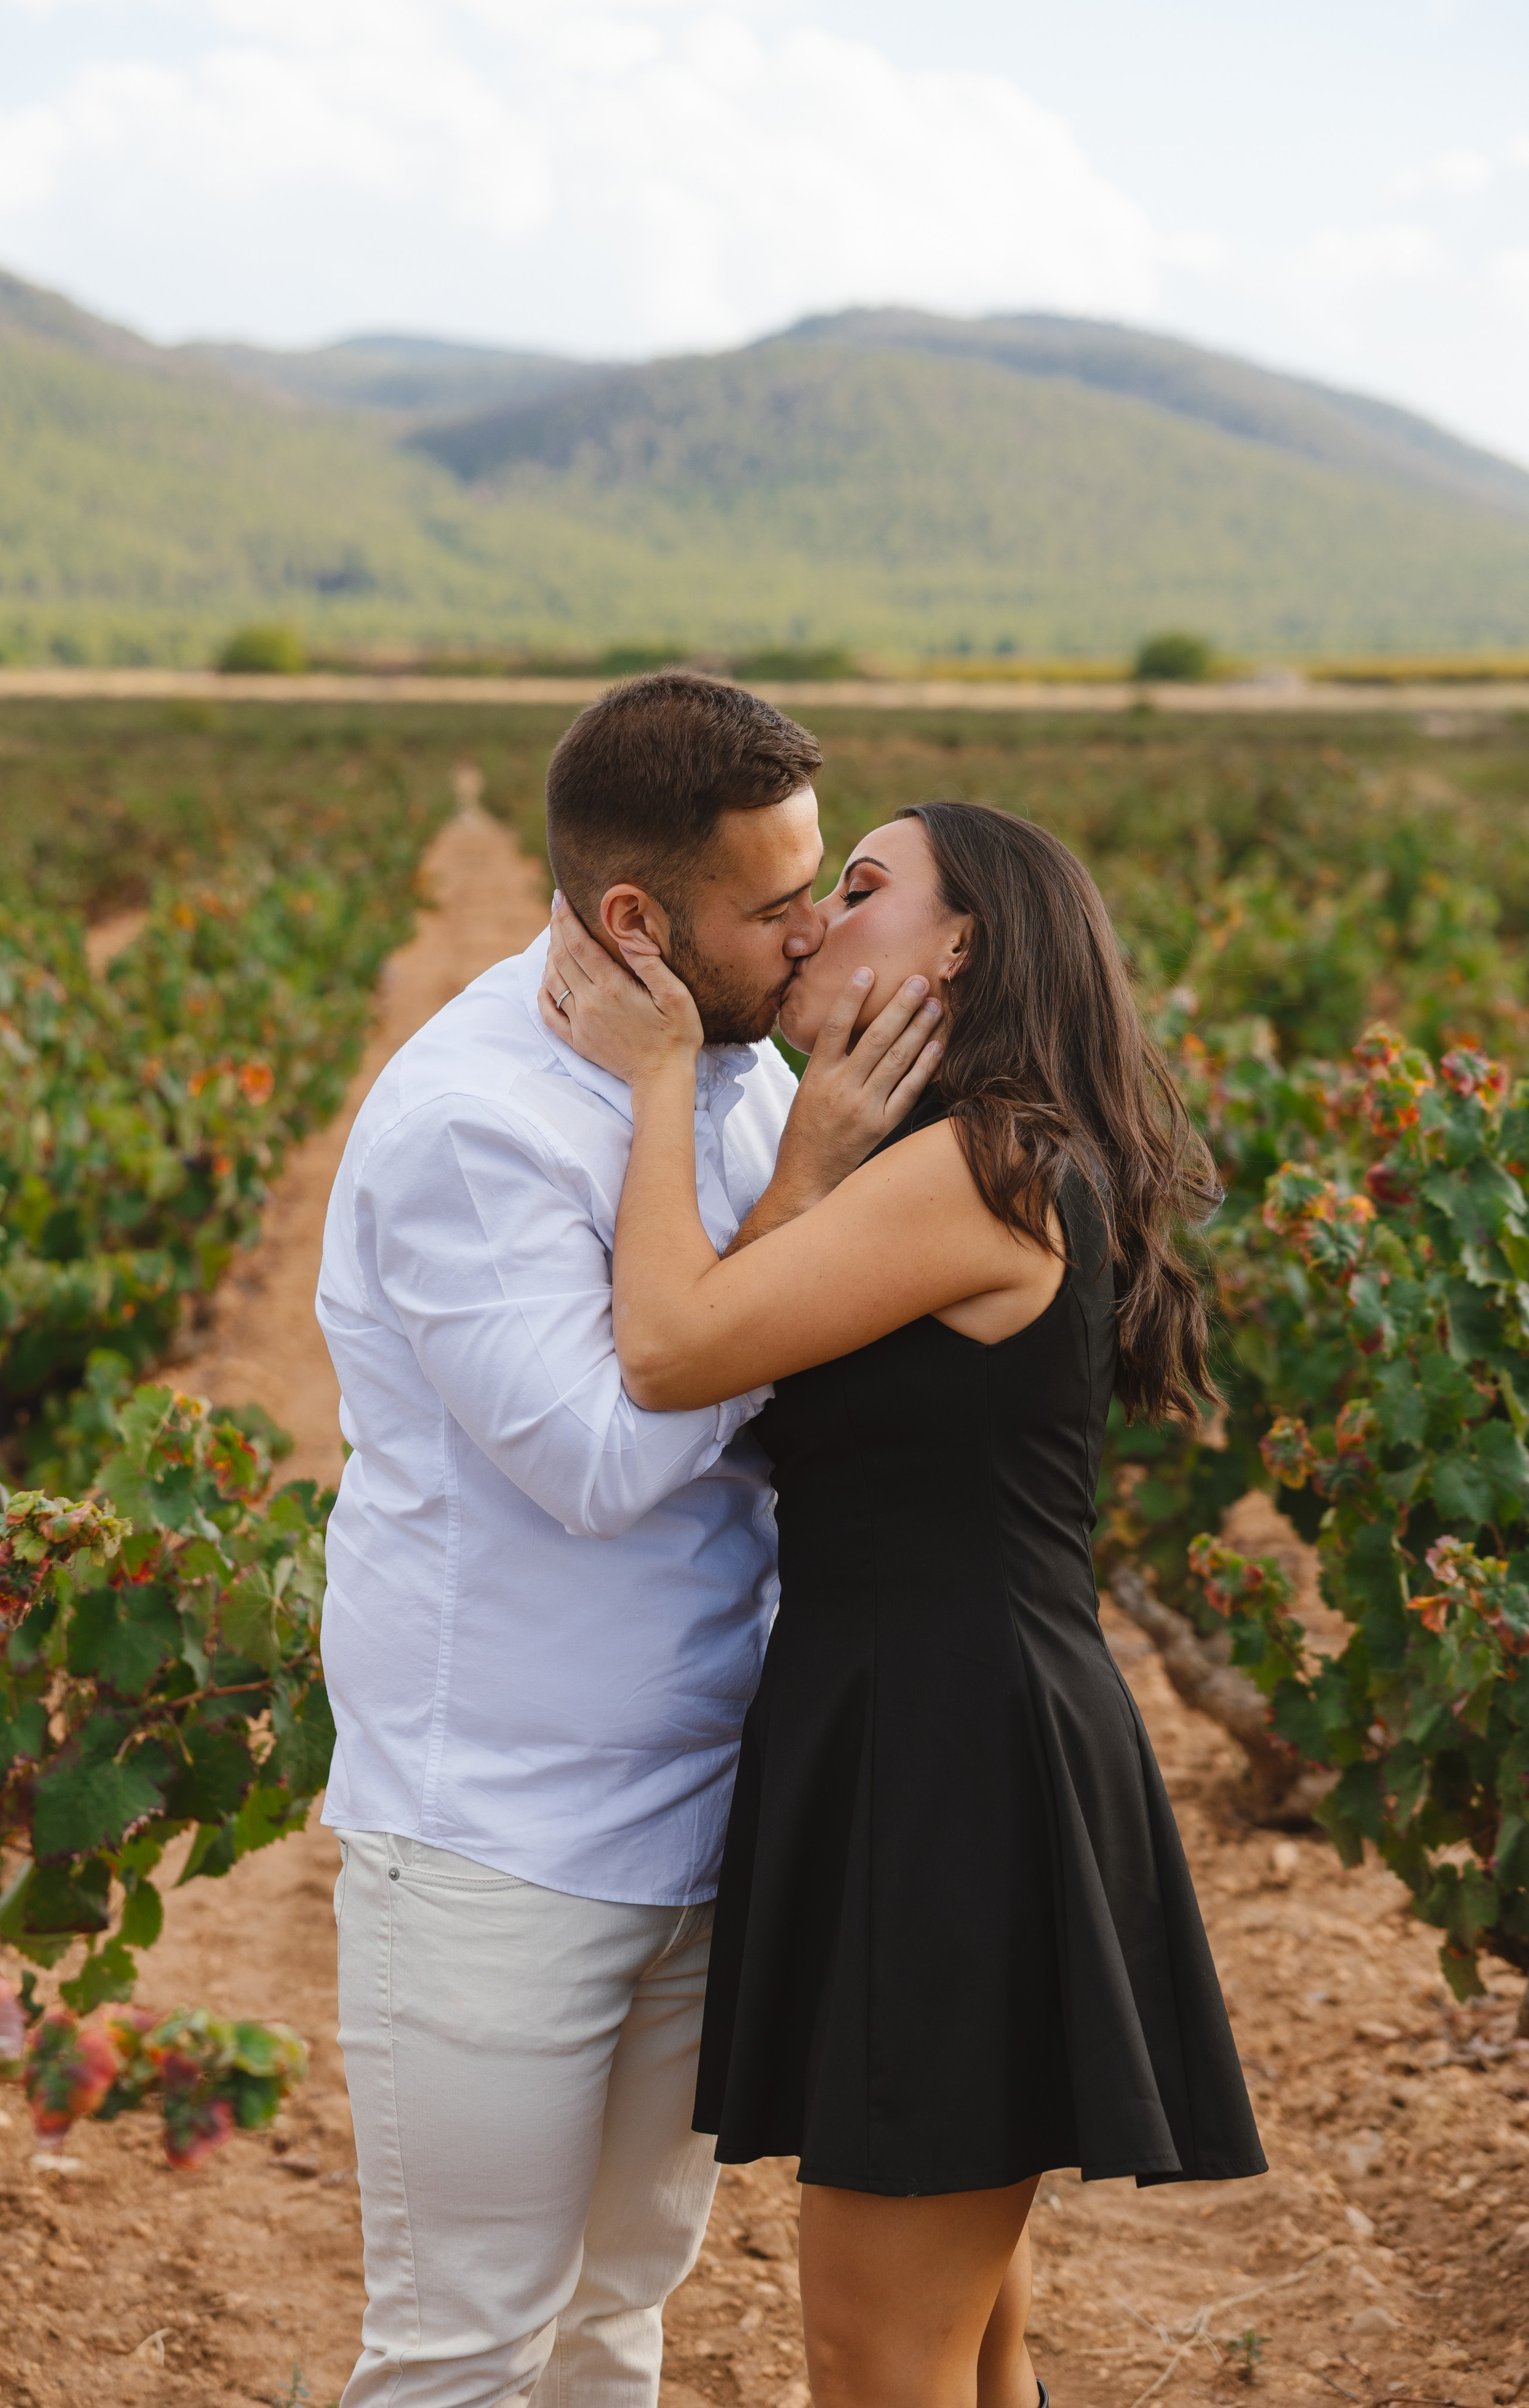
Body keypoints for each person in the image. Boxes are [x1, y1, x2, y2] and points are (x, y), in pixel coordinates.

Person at [540, 798, 1268, 2408]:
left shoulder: (974, 1172)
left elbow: (665, 1349)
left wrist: (658, 1081)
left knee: (880, 2365)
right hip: (939, 1734)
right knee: (966, 2348)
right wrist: (800, 1162)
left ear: (962, 947)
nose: (813, 921)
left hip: (947, 1762)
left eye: (859, 890)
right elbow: (739, 1326)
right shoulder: (966, 1163)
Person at [313, 671, 941, 2408]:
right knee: (463, 2340)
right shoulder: (474, 1126)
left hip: (701, 1804)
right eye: (775, 901)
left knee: (616, 2316)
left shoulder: (726, 1065)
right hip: (497, 1837)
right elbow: (599, 1456)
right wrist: (807, 1192)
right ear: (635, 921)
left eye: (825, 878)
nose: (813, 929)